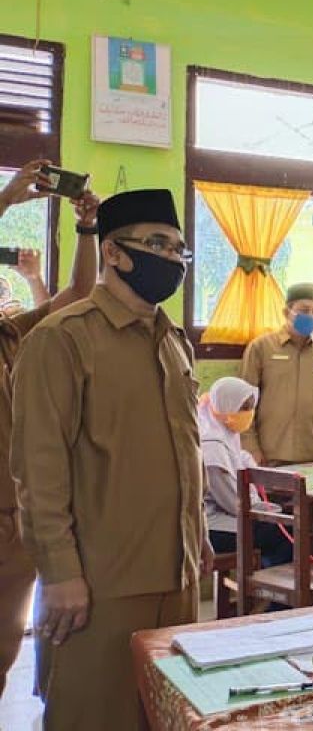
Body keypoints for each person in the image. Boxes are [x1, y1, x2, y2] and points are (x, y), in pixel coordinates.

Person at [10, 188, 211, 730]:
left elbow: (183, 452)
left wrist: (200, 544)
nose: (171, 259)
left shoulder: (172, 341)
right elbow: (38, 469)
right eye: (156, 244)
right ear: (114, 253)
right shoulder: (62, 340)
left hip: (177, 578)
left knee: (164, 716)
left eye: (179, 249)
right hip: (99, 586)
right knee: (93, 715)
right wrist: (60, 574)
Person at [0, 182, 99, 697]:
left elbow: (79, 296)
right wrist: (9, 199)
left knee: (3, 652)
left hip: (13, 526)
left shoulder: (11, 336)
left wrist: (87, 228)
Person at [239, 282, 313, 466]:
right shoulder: (261, 348)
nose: (310, 316)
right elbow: (244, 402)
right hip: (271, 455)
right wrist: (251, 447)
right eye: (304, 310)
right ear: (287, 312)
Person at [201, 377, 292, 568]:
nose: (249, 414)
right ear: (226, 407)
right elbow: (234, 503)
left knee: (283, 526)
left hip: (228, 516)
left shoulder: (225, 434)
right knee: (285, 533)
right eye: (243, 408)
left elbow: (241, 460)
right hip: (213, 528)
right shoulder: (212, 447)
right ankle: (274, 595)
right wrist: (270, 509)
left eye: (251, 407)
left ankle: (270, 590)